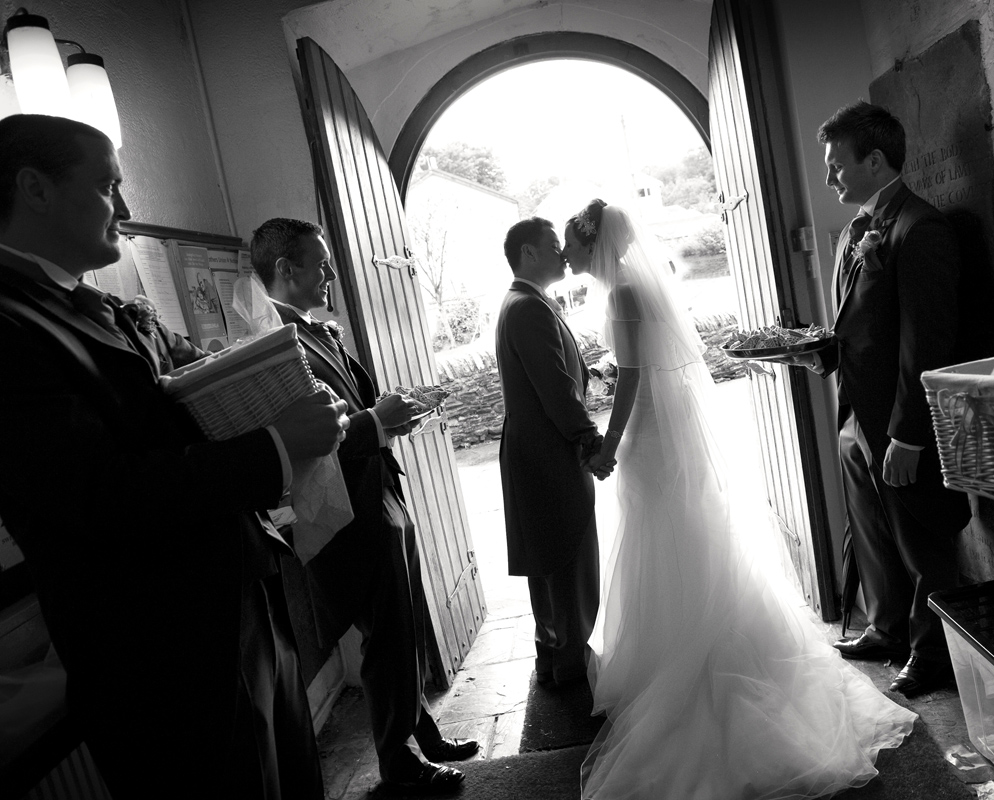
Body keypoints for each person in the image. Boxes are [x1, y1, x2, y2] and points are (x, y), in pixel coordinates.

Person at [0, 115, 349, 798]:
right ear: (34, 189)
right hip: (159, 653)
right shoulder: (9, 327)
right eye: (107, 186)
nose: (126, 210)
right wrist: (277, 446)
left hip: (232, 601)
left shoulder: (92, 304)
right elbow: (98, 492)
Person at [562, 199, 916, 799]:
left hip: (649, 439)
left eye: (571, 244)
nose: (567, 254)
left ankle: (685, 666)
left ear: (591, 245)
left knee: (664, 541)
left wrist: (610, 447)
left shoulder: (621, 293)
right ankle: (689, 653)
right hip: (668, 438)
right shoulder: (635, 288)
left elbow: (633, 377)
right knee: (686, 540)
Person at [249, 218, 478, 798]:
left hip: (378, 491)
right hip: (346, 512)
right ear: (285, 270)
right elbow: (309, 442)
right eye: (319, 263)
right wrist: (375, 423)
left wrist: (388, 413)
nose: (329, 274)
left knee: (402, 625)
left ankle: (418, 729)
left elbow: (348, 411)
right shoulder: (273, 344)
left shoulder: (318, 331)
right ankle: (398, 760)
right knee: (385, 634)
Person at [788, 102, 970, 697]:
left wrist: (909, 433)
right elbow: (858, 325)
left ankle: (934, 653)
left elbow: (927, 341)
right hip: (856, 414)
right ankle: (887, 626)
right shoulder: (855, 231)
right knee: (872, 530)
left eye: (836, 165)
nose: (829, 178)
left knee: (920, 539)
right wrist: (820, 352)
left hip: (897, 421)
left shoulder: (920, 229)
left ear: (874, 159)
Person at [496, 217, 608, 689]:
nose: (564, 253)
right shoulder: (528, 308)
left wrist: (598, 375)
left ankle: (558, 658)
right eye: (553, 246)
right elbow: (556, 390)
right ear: (528, 253)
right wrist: (591, 439)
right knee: (565, 558)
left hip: (537, 451)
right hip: (547, 455)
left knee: (553, 559)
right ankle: (569, 666)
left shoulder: (527, 302)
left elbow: (564, 372)